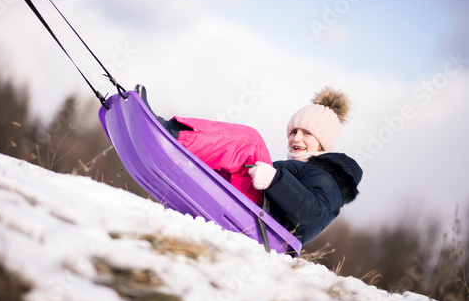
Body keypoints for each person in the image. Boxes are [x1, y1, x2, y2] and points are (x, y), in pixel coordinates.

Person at [139, 86, 362, 245]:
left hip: (267, 224)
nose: (296, 138)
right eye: (293, 131)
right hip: (258, 213)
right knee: (230, 160)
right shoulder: (299, 167)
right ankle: (180, 157)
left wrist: (275, 181)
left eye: (307, 133)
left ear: (323, 143)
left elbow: (313, 215)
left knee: (249, 141)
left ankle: (168, 134)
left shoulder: (327, 177)